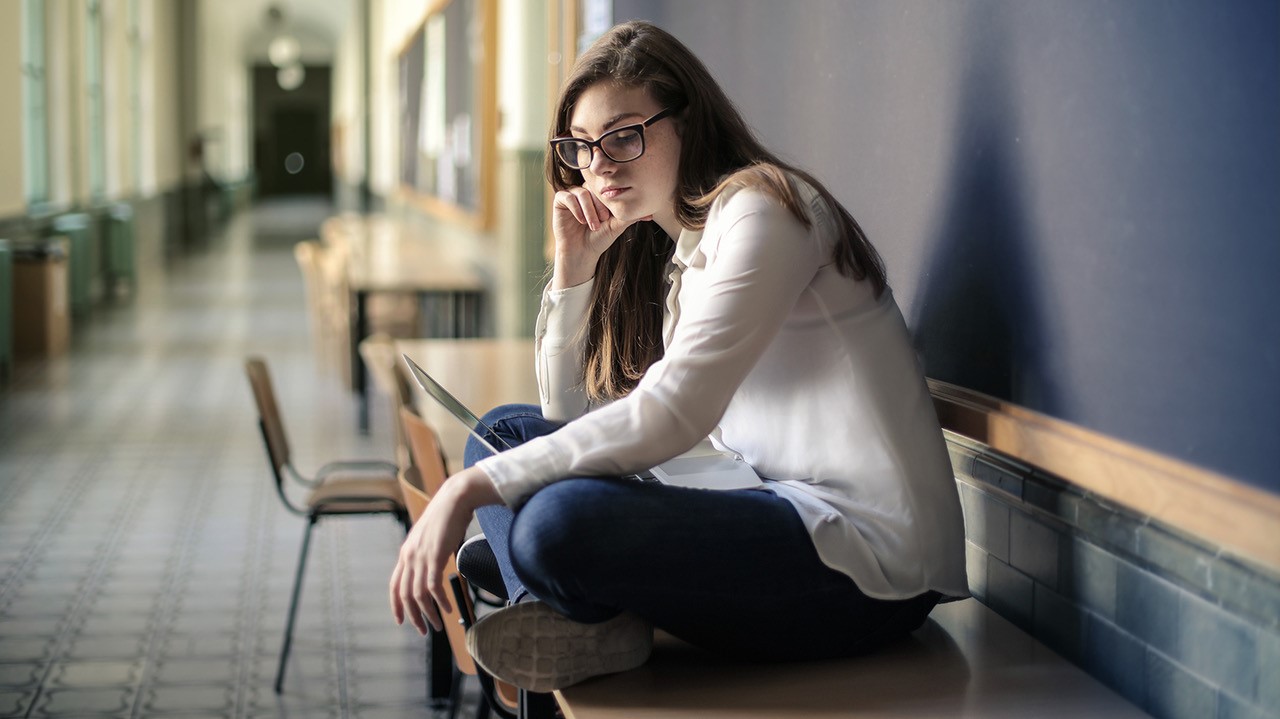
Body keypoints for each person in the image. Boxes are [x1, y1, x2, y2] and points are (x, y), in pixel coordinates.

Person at [389, 20, 968, 693]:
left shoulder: (765, 212)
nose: (600, 166)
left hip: (869, 566)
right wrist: (574, 272)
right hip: (766, 504)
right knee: (501, 436)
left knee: (551, 520)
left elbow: (676, 411)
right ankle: (566, 615)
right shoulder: (685, 255)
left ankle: (560, 593)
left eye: (624, 136)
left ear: (688, 123)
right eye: (582, 146)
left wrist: (467, 491)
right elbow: (566, 419)